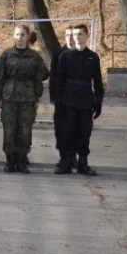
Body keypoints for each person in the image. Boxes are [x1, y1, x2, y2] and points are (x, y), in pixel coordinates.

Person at [0, 24, 49, 173]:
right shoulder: (6, 54)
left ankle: (21, 161)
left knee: (25, 131)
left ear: (27, 37)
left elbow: (43, 74)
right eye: (17, 35)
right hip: (9, 97)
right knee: (9, 130)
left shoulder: (34, 56)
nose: (19, 38)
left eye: (22, 35)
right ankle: (10, 161)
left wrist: (36, 95)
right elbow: (0, 77)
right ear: (14, 36)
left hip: (27, 98)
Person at [52, 24, 103, 176]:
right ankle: (66, 163)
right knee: (67, 132)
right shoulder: (65, 56)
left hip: (86, 101)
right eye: (75, 35)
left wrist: (98, 101)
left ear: (87, 35)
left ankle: (83, 163)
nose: (77, 37)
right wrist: (58, 100)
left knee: (84, 132)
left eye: (80, 34)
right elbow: (58, 80)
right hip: (68, 100)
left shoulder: (93, 57)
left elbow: (98, 81)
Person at [49, 25, 74, 169]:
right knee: (61, 129)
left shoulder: (82, 53)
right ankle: (63, 156)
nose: (70, 38)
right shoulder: (58, 53)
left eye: (72, 35)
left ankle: (74, 157)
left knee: (75, 129)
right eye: (67, 35)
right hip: (61, 99)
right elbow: (53, 77)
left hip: (76, 99)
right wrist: (54, 98)